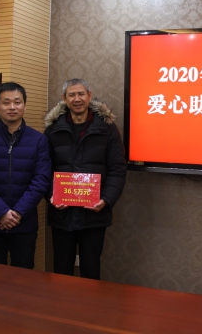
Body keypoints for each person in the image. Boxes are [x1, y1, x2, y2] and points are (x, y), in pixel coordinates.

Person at [44, 78, 127, 279]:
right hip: (62, 214)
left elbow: (117, 168)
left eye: (81, 94)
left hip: (94, 215)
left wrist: (106, 199)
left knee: (91, 269)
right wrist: (51, 195)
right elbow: (42, 170)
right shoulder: (53, 130)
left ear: (89, 96)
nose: (77, 99)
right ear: (64, 99)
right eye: (71, 95)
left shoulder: (107, 128)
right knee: (61, 269)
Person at [0, 82, 51, 269]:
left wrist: (17, 213)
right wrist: (1, 212)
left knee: (22, 278)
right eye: (6, 102)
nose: (12, 107)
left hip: (24, 223)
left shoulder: (39, 140)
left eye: (17, 102)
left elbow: (41, 180)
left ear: (24, 106)